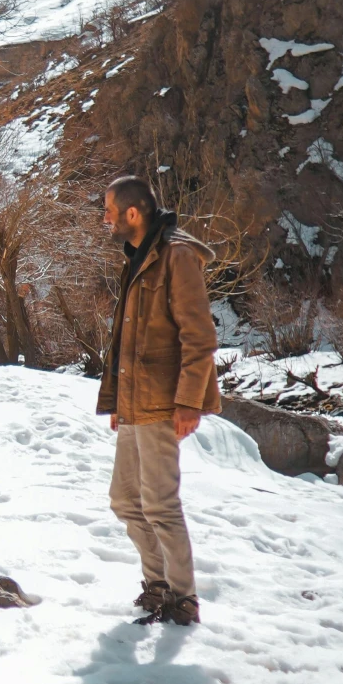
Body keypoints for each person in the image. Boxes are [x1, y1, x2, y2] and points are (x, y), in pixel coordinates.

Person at [97, 174, 221, 626]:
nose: (104, 218)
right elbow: (127, 341)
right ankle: (158, 586)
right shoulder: (140, 256)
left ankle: (183, 600)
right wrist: (117, 401)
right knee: (125, 500)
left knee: (160, 505)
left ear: (133, 213)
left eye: (109, 210)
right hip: (135, 405)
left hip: (163, 404)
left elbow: (200, 337)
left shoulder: (178, 256)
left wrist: (189, 403)